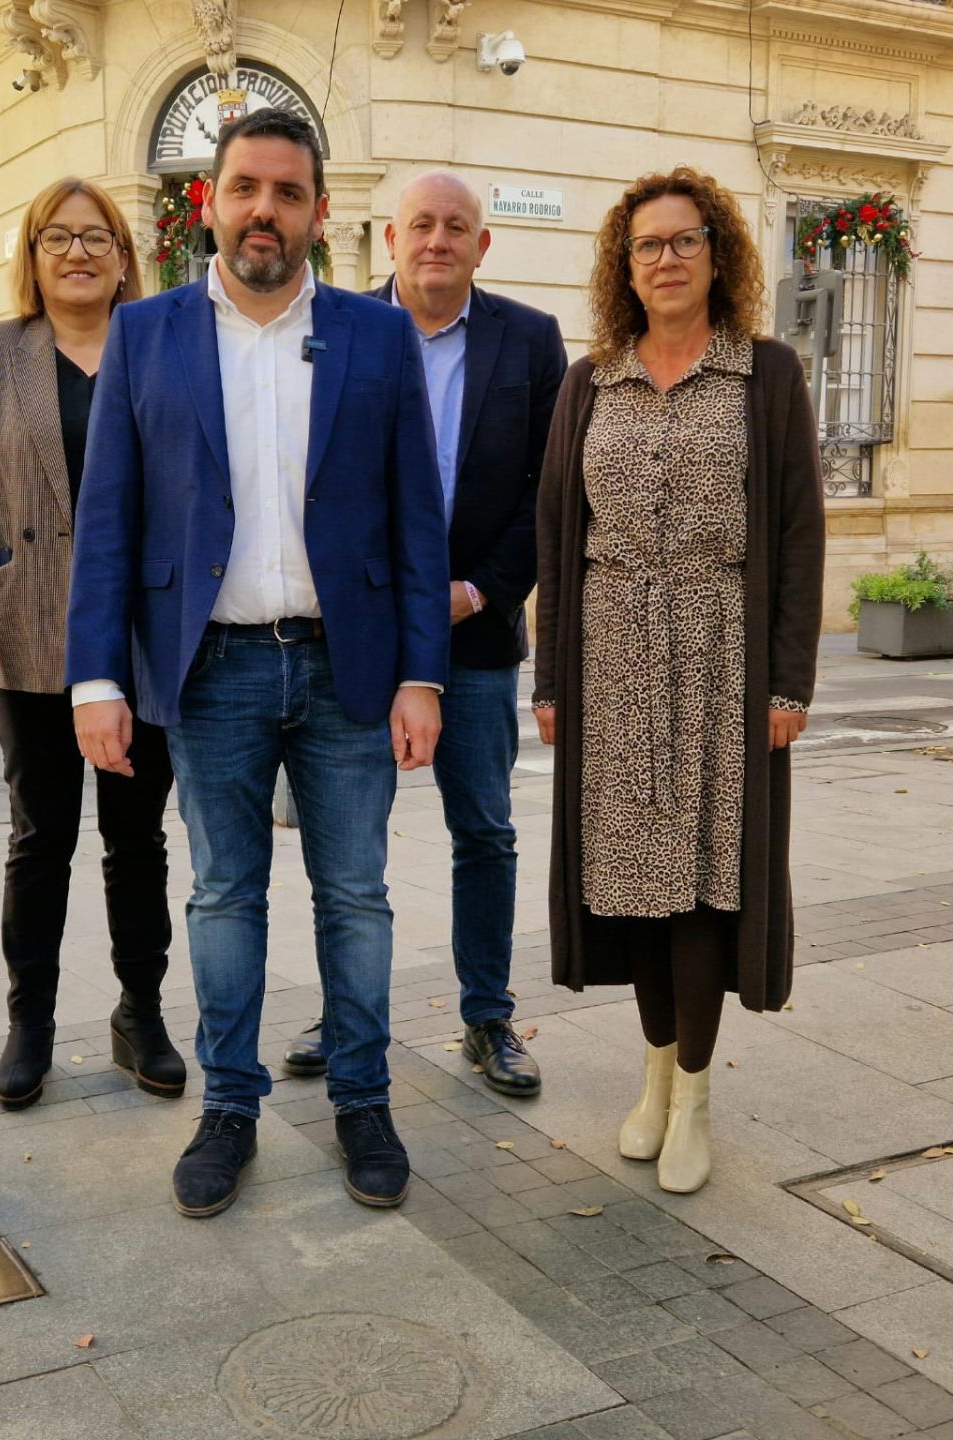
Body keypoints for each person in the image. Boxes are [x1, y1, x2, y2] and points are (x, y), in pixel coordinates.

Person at [66, 110, 450, 1218]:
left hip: (348, 667)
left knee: (357, 896)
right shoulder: (146, 335)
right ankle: (229, 1106)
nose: (264, 211)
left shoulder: (378, 337)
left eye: (288, 192)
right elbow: (108, 520)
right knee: (224, 896)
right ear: (211, 203)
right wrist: (97, 679)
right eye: (244, 188)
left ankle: (363, 1100)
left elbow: (416, 520)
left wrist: (421, 673)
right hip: (210, 670)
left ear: (320, 213)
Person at [532, 167, 825, 1194]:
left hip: (719, 657)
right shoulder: (589, 382)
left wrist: (788, 687)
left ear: (717, 253)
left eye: (685, 239)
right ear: (626, 264)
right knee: (631, 886)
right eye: (648, 244)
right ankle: (654, 1075)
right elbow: (558, 538)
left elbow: (797, 536)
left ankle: (695, 1094)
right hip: (610, 656)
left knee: (703, 881)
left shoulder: (765, 375)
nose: (666, 258)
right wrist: (550, 681)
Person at [280, 172, 567, 1098]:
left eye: (455, 227)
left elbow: (550, 492)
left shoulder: (530, 340)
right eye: (421, 225)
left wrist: (479, 591)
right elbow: (308, 478)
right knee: (347, 845)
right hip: (359, 636)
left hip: (473, 636)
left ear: (482, 245)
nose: (437, 240)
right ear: (390, 237)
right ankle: (347, 1012)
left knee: (483, 829)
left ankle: (487, 1017)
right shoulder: (339, 330)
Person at [0, 179, 184, 1110]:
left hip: (142, 636)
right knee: (40, 838)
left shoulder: (162, 346)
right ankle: (29, 1022)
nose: (78, 253)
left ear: (124, 255)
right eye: (57, 238)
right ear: (33, 256)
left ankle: (140, 1013)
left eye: (96, 237)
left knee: (137, 840)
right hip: (30, 626)